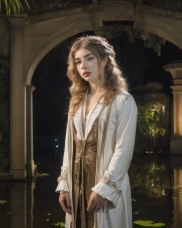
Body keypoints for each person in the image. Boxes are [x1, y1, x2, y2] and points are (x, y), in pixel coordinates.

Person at [56, 35, 138, 228]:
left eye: (89, 58)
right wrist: (65, 186)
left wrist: (104, 190)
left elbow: (123, 150)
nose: (83, 65)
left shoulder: (123, 101)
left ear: (104, 60)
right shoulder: (77, 101)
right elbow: (70, 148)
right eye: (78, 61)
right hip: (77, 185)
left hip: (105, 185)